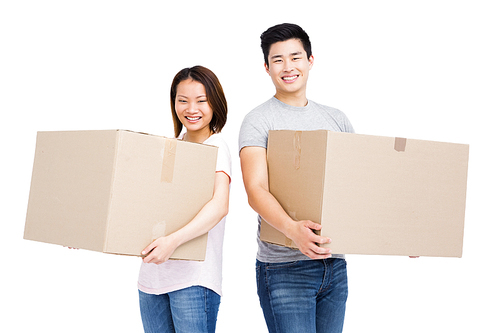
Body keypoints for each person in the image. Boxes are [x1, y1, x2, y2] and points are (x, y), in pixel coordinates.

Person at [238, 23, 354, 333]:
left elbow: (357, 186)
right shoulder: (259, 120)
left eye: (295, 57)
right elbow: (255, 189)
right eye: (278, 60)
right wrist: (293, 231)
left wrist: (400, 235)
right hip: (284, 268)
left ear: (310, 60)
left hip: (334, 264)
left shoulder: (337, 119)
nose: (288, 67)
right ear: (266, 67)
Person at [138, 66, 231, 333]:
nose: (192, 108)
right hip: (152, 277)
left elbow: (219, 205)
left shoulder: (216, 146)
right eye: (183, 100)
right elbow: (139, 202)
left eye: (201, 100)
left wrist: (172, 242)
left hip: (193, 280)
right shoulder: (171, 148)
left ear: (215, 104)